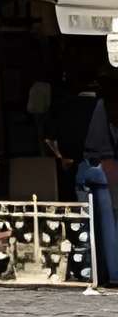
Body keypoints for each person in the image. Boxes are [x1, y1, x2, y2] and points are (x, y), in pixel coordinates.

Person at [46, 57, 118, 286]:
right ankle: (114, 275)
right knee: (110, 224)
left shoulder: (65, 106)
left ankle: (89, 272)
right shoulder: (104, 106)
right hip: (105, 167)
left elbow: (49, 137)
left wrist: (61, 157)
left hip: (79, 167)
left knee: (85, 225)